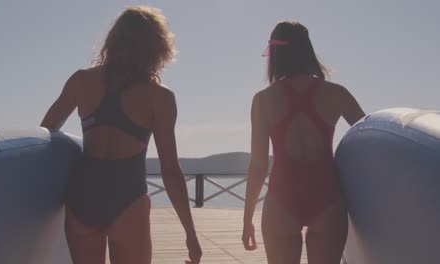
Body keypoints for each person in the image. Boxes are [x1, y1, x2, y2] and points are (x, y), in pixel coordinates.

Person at [40, 6, 202, 264]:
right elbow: (170, 170)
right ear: (157, 48)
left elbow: (45, 135)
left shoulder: (81, 81)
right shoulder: (159, 98)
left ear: (113, 41)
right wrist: (190, 233)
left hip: (83, 198)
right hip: (128, 201)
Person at [242, 21, 365, 264]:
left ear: (275, 55)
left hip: (282, 199)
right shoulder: (337, 93)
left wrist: (247, 220)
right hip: (328, 197)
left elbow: (258, 166)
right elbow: (370, 137)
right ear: (308, 51)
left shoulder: (263, 100)